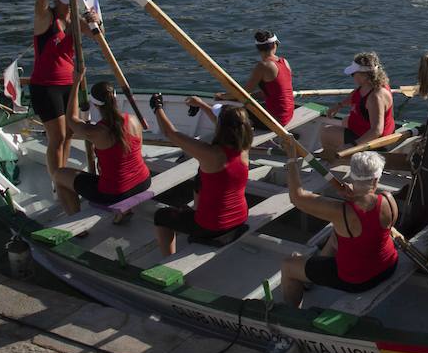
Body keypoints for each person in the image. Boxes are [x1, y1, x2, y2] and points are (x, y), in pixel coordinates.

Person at [279, 146, 399, 307]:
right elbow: (371, 223)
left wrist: (292, 160)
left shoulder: (341, 212)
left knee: (288, 265)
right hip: (388, 266)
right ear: (376, 180)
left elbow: (297, 197)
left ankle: (289, 315)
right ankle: (315, 270)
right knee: (338, 234)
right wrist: (354, 197)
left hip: (357, 280)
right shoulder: (389, 200)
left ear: (352, 177)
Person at [152, 94, 253, 255]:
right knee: (202, 178)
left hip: (212, 227)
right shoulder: (244, 147)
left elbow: (170, 133)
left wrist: (157, 108)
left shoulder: (211, 154)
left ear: (221, 127)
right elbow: (225, 124)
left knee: (161, 216)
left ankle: (167, 259)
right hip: (240, 218)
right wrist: (202, 105)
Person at [52, 81, 151, 218]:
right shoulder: (134, 120)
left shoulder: (97, 131)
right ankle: (125, 211)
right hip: (143, 181)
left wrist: (76, 84)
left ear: (95, 104)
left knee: (58, 175)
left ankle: (77, 223)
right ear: (115, 99)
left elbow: (71, 119)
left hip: (116, 193)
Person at [31, 0, 83, 185]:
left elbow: (98, 35)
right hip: (45, 86)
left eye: (71, 2)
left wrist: (95, 21)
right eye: (66, 2)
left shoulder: (73, 19)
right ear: (57, 1)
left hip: (68, 84)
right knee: (58, 135)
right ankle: (57, 181)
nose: (69, 6)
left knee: (70, 132)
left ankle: (62, 173)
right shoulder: (46, 18)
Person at [319, 52, 395, 154]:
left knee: (325, 132)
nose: (352, 76)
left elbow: (377, 131)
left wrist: (353, 145)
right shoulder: (370, 84)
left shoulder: (375, 97)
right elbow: (356, 94)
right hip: (363, 129)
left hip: (376, 142)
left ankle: (332, 158)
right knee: (345, 120)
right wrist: (339, 105)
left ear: (364, 75)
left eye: (353, 74)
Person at [217, 30, 295, 126]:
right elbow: (273, 92)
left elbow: (245, 92)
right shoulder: (285, 62)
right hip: (288, 115)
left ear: (258, 48)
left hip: (276, 121)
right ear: (275, 45)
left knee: (228, 113)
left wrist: (222, 96)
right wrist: (246, 97)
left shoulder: (263, 66)